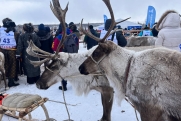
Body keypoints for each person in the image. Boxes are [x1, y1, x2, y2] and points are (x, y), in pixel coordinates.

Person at [52, 23, 78, 91]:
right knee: (72, 68)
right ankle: (75, 84)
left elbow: (54, 48)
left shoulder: (59, 36)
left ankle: (64, 86)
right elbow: (77, 44)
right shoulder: (74, 35)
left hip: (63, 56)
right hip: (73, 55)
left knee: (63, 70)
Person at [0, 18, 19, 87]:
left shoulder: (1, 33)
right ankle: (11, 81)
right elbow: (17, 43)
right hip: (12, 51)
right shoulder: (15, 34)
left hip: (3, 51)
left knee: (5, 65)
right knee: (12, 66)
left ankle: (4, 78)